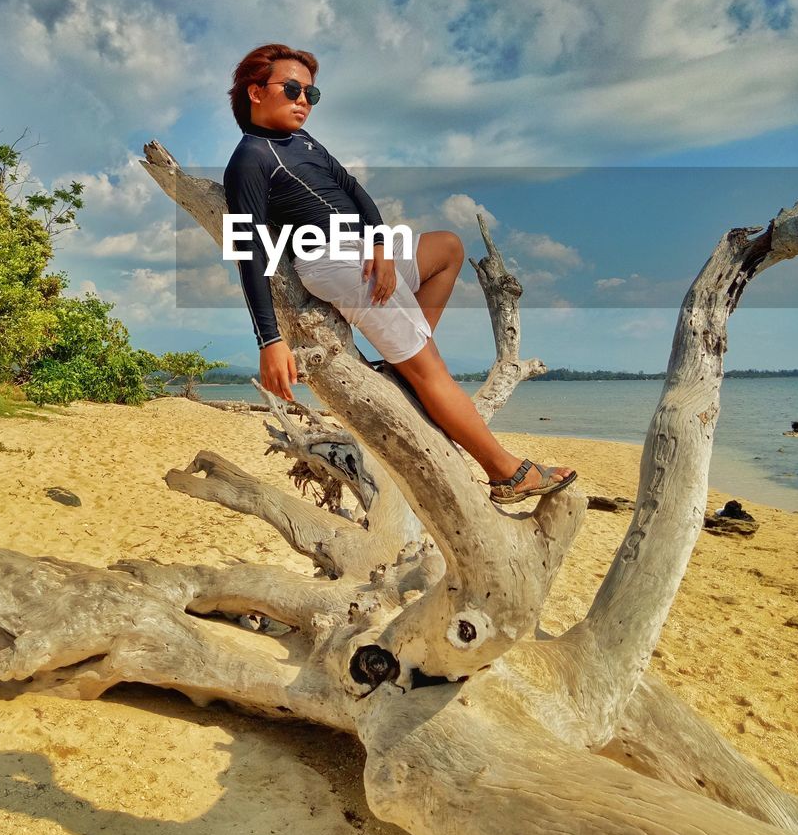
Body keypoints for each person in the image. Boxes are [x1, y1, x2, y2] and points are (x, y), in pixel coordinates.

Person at [223, 42, 576, 504]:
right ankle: (506, 473)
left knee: (447, 248)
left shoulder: (304, 142)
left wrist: (380, 245)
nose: (304, 100)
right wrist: (269, 342)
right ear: (255, 92)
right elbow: (247, 250)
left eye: (312, 93)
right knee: (433, 371)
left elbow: (354, 190)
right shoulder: (249, 160)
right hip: (335, 261)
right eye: (292, 89)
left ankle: (404, 360)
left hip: (368, 253)